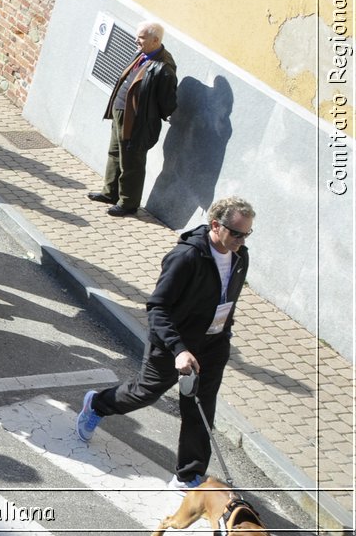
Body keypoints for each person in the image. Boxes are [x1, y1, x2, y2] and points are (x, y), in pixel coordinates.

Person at [77, 197, 255, 490]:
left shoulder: (240, 257)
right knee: (144, 393)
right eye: (237, 233)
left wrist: (224, 333)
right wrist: (179, 349)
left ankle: (188, 476)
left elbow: (228, 300)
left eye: (247, 233)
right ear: (215, 225)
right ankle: (96, 404)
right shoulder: (186, 258)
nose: (242, 239)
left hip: (213, 346)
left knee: (200, 408)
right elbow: (157, 307)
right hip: (174, 344)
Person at [93, 20, 179, 216]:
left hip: (136, 121)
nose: (136, 40)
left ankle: (128, 203)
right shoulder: (142, 54)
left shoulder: (164, 67)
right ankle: (110, 193)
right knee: (115, 154)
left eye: (141, 37)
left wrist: (148, 115)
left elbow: (168, 102)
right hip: (120, 112)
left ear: (155, 40)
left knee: (131, 161)